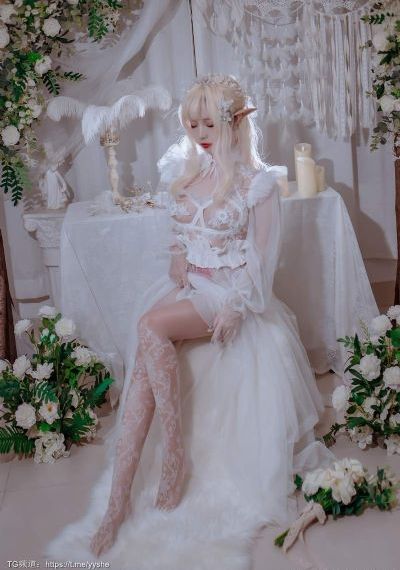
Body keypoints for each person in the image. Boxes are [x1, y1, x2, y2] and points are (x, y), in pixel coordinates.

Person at [47, 74, 335, 568]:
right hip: (190, 289)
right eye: (192, 123)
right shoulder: (184, 171)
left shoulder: (257, 183)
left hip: (226, 293)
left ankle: (171, 456)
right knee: (145, 359)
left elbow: (262, 260)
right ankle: (118, 500)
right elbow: (179, 232)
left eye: (209, 124)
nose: (200, 133)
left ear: (234, 123)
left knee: (149, 326)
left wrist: (235, 306)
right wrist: (179, 254)